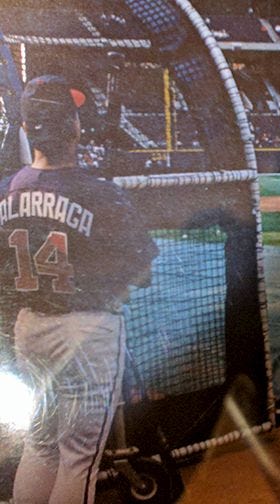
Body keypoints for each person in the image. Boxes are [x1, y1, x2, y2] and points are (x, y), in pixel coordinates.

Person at [0, 75, 159, 504]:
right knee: (79, 459)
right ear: (73, 126)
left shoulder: (5, 191)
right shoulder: (100, 193)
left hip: (28, 329)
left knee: (41, 444)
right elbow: (141, 272)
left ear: (28, 127)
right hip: (86, 332)